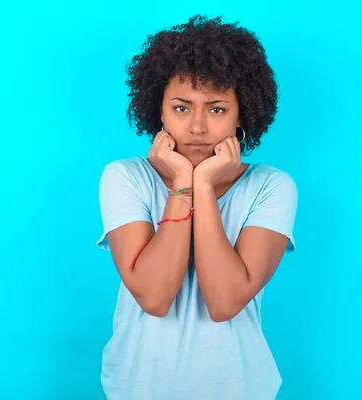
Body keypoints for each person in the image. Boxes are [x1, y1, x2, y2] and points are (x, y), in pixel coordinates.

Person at [96, 15, 298, 400]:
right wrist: (183, 182)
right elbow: (154, 297)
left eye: (218, 109)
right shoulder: (125, 177)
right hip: (138, 388)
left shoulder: (271, 186)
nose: (198, 127)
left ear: (242, 114)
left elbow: (224, 302)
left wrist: (201, 184)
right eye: (182, 107)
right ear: (159, 109)